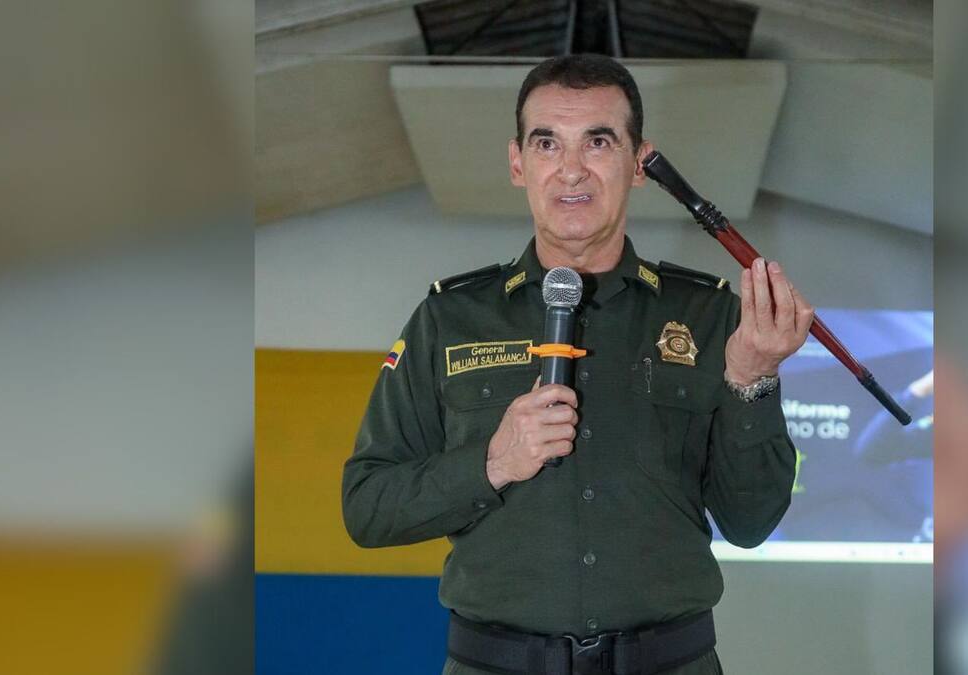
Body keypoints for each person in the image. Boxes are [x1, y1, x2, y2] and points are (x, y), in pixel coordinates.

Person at [342, 54, 814, 675]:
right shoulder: (449, 319)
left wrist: (752, 379)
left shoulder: (709, 316)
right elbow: (368, 507)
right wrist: (494, 462)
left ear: (638, 162)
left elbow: (750, 522)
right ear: (518, 163)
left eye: (598, 141)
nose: (570, 169)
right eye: (547, 143)